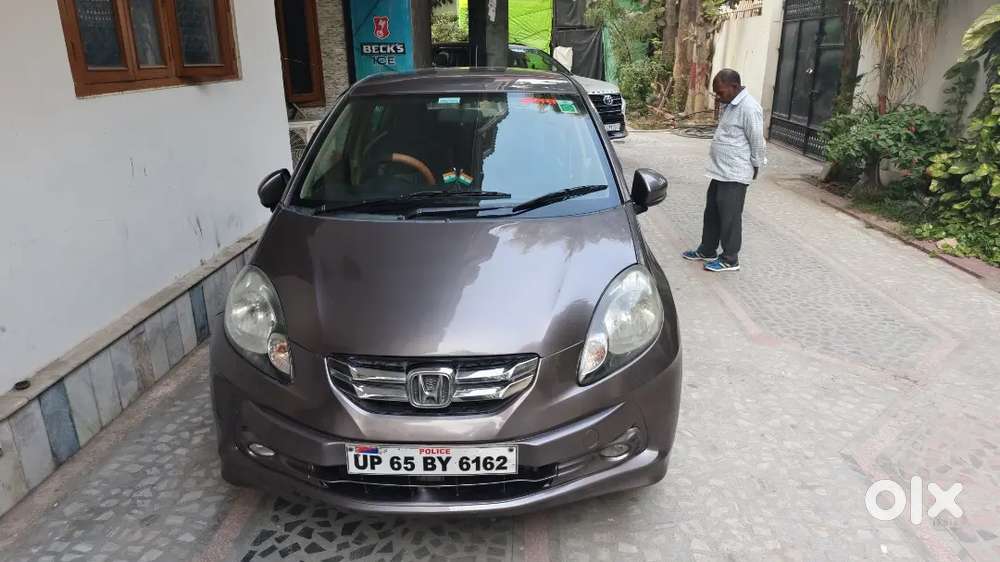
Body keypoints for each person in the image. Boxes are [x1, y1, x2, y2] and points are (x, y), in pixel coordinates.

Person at [682, 69, 766, 272]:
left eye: (720, 92)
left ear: (734, 87)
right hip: (720, 172)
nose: (718, 97)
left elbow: (757, 140)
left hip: (735, 174)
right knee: (712, 212)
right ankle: (707, 249)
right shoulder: (730, 104)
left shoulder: (749, 108)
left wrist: (756, 164)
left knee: (730, 217)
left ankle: (730, 258)